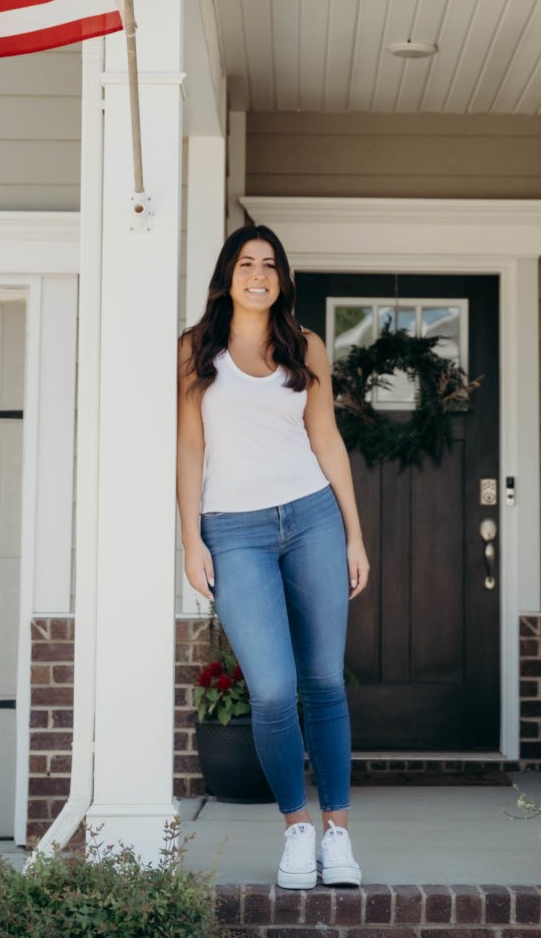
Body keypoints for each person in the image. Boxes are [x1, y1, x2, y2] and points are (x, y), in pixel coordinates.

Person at [176, 224, 372, 890]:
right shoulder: (196, 350)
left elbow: (327, 439)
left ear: (282, 278)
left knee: (322, 681)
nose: (257, 273)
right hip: (233, 531)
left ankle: (338, 834)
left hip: (312, 516)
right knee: (272, 690)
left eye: (269, 264)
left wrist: (353, 533)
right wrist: (190, 538)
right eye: (245, 263)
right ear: (227, 274)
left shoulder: (306, 345)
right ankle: (297, 830)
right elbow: (190, 450)